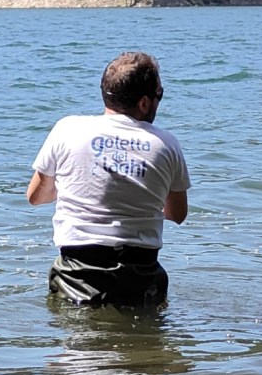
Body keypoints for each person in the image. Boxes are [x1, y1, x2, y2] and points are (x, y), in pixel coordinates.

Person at [27, 51, 191, 307]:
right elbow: (177, 214)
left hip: (76, 274)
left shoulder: (67, 128)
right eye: (160, 95)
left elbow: (36, 197)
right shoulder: (166, 144)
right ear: (144, 103)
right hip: (141, 274)